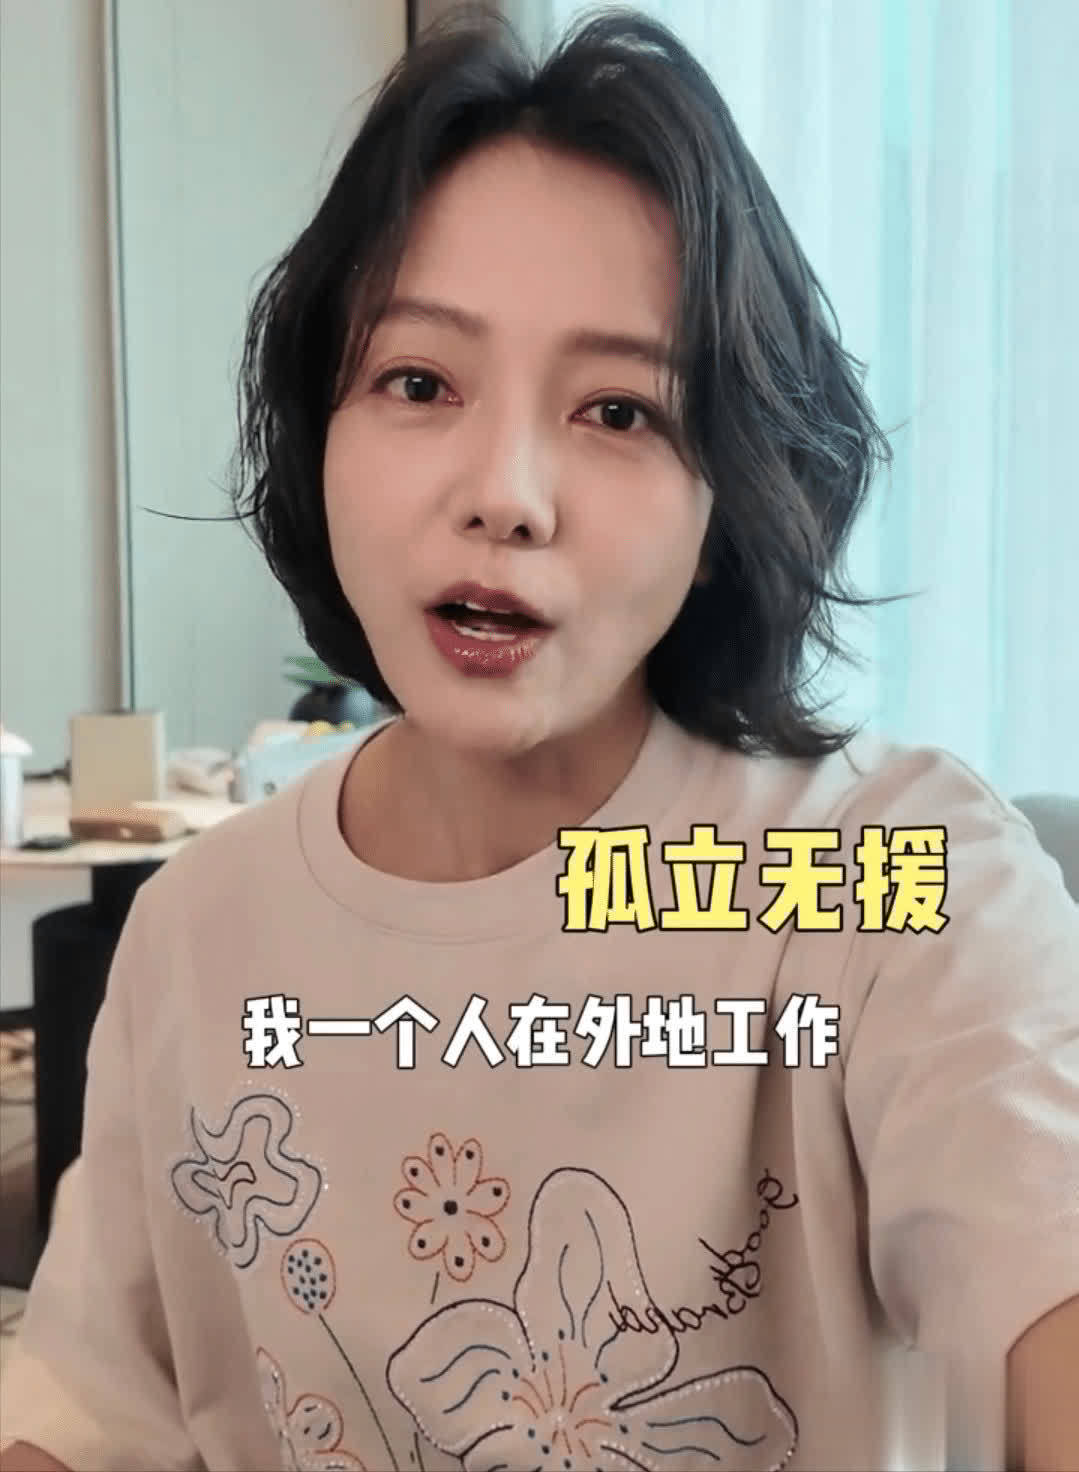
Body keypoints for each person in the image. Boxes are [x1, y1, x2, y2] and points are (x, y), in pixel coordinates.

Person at [3, 6, 1076, 1470]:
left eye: (619, 410)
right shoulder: (199, 932)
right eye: (418, 383)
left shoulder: (887, 879)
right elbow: (84, 1415)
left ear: (725, 500)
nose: (505, 493)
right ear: (319, 429)